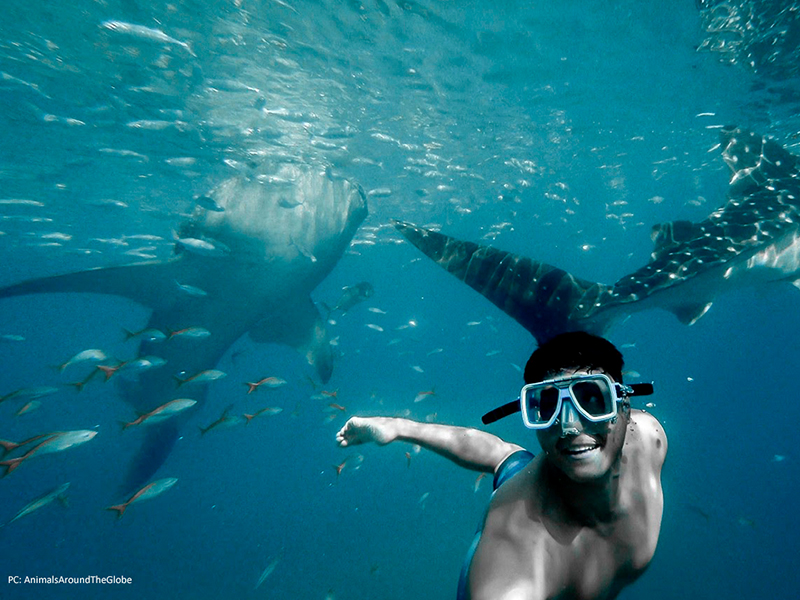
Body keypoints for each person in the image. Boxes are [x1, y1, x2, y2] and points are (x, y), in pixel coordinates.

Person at [336, 331, 667, 600]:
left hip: (540, 476)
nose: (569, 426)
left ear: (625, 406)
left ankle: (399, 427)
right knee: (515, 472)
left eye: (593, 399)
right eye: (547, 406)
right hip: (519, 515)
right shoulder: (516, 557)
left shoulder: (649, 437)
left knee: (508, 458)